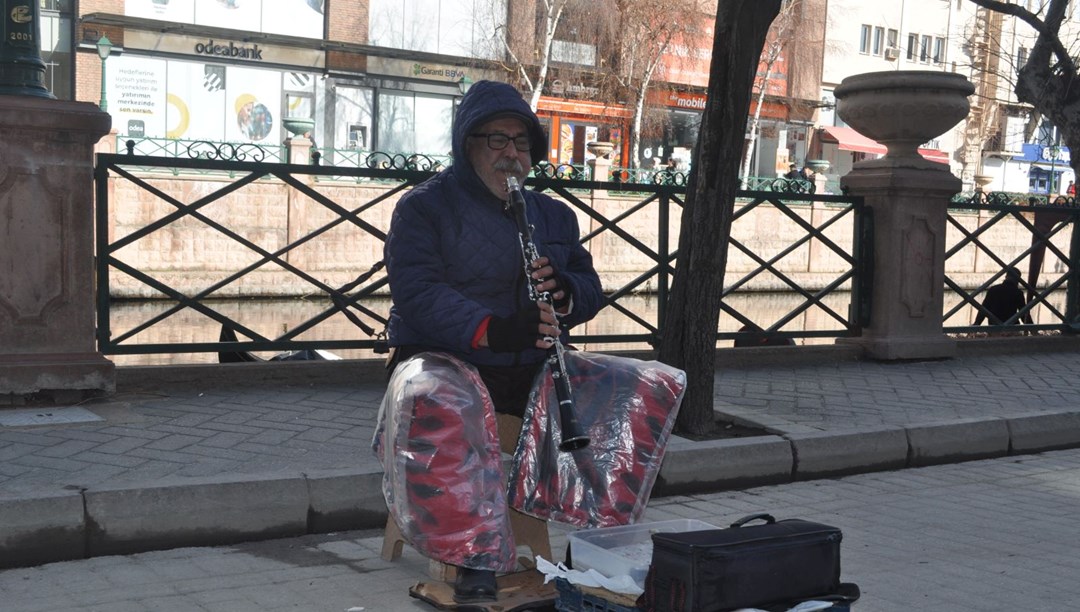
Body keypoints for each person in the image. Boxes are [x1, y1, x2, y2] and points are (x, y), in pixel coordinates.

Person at [381, 80, 603, 603]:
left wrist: (567, 293)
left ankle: (600, 547)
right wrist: (491, 328)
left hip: (529, 362)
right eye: (496, 140)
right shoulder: (425, 208)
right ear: (467, 144)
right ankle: (473, 556)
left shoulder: (553, 215)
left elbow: (589, 283)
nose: (511, 153)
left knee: (629, 388)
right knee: (451, 401)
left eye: (521, 142)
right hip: (444, 359)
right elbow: (417, 293)